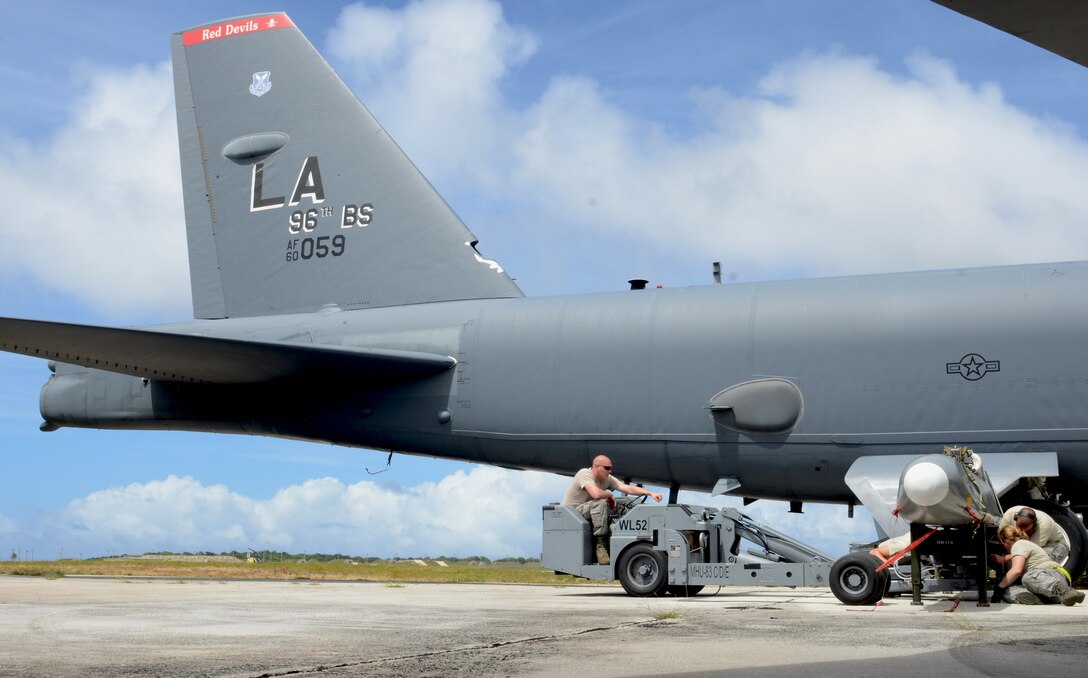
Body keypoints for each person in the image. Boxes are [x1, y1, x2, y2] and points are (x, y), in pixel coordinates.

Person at [561, 455, 663, 564]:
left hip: (590, 512)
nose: (610, 471)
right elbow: (595, 494)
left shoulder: (607, 479)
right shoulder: (585, 474)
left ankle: (617, 537)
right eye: (607, 468)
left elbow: (626, 487)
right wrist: (609, 495)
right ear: (596, 467)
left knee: (621, 507)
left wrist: (650, 492)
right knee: (600, 502)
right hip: (573, 514)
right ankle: (601, 546)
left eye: (610, 468)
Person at [990, 524, 1084, 605]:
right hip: (1048, 583)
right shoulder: (1023, 546)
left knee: (1028, 577)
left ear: (1004, 540)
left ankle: (1064, 591)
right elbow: (1014, 557)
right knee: (1009, 593)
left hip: (1052, 575)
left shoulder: (1018, 544)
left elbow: (1016, 571)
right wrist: (1002, 559)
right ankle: (1049, 598)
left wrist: (999, 587)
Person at [967, 505, 1070, 564]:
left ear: (1034, 525)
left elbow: (1029, 551)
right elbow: (1001, 535)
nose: (1021, 531)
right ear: (1015, 518)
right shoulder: (1010, 514)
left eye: (1025, 529)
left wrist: (1004, 558)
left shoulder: (1044, 524)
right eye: (1019, 527)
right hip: (1027, 546)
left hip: (1054, 546)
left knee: (1035, 561)